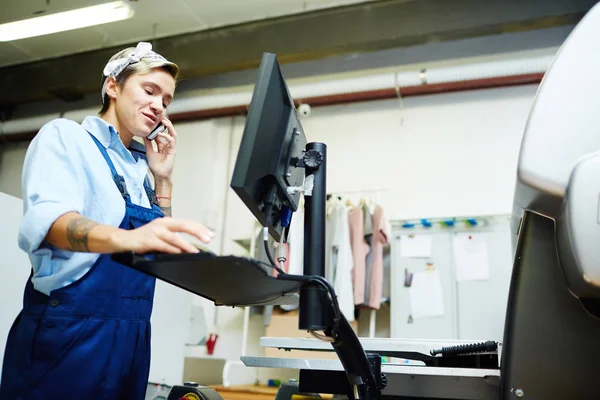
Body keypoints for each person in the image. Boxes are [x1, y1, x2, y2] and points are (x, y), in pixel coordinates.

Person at [0, 42, 212, 399]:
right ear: (113, 86)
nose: (159, 105)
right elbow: (51, 224)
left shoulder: (139, 169)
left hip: (131, 339)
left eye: (167, 100)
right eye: (149, 90)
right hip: (70, 334)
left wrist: (163, 180)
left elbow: (157, 253)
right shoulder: (66, 138)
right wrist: (125, 239)